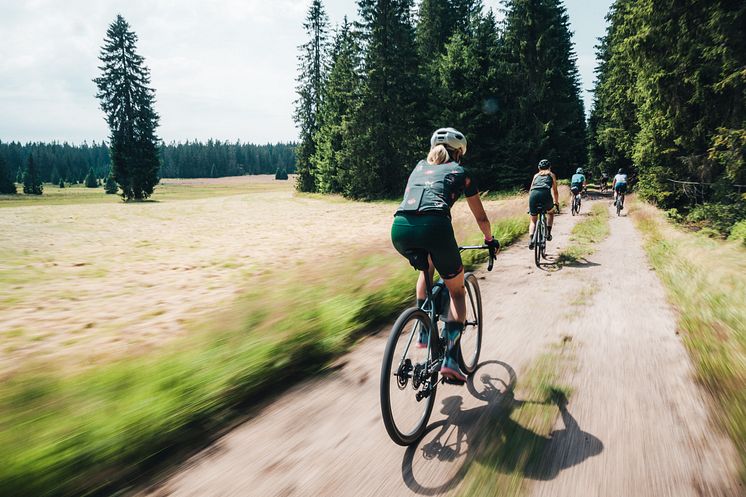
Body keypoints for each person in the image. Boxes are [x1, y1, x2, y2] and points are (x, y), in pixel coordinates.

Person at [391, 127, 499, 383]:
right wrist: (489, 240)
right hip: (436, 228)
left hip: (400, 228)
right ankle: (451, 359)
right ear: (459, 153)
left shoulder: (418, 167)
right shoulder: (461, 172)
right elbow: (481, 217)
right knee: (457, 291)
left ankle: (424, 332)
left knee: (426, 268)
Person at [528, 159, 560, 249]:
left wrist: (530, 205)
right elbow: (555, 191)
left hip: (533, 196)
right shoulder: (551, 175)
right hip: (545, 195)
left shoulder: (535, 176)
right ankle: (548, 233)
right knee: (550, 213)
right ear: (549, 167)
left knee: (533, 219)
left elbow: (531, 190)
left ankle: (531, 239)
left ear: (539, 168)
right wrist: (556, 203)